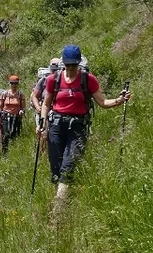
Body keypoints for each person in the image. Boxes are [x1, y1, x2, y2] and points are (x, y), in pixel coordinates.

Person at [38, 45, 131, 224]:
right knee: (56, 167)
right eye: (68, 65)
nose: (71, 68)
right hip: (56, 126)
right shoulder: (53, 79)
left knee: (68, 166)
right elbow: (46, 104)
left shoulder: (88, 80)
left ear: (79, 63)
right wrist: (43, 122)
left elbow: (102, 102)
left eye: (74, 65)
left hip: (78, 128)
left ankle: (57, 215)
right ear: (64, 64)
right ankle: (62, 195)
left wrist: (119, 101)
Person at [30, 58, 61, 133]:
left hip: (57, 113)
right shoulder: (43, 80)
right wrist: (38, 107)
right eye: (53, 70)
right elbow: (34, 96)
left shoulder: (63, 81)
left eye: (56, 70)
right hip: (43, 112)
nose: (54, 72)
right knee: (42, 133)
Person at [0, 75, 25, 154]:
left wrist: (22, 111)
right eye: (12, 83)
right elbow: (0, 106)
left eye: (15, 83)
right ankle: (4, 152)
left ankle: (14, 152)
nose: (14, 85)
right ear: (9, 84)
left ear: (18, 84)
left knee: (14, 134)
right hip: (6, 116)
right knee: (6, 134)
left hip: (16, 117)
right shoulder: (4, 94)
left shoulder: (20, 95)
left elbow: (23, 107)